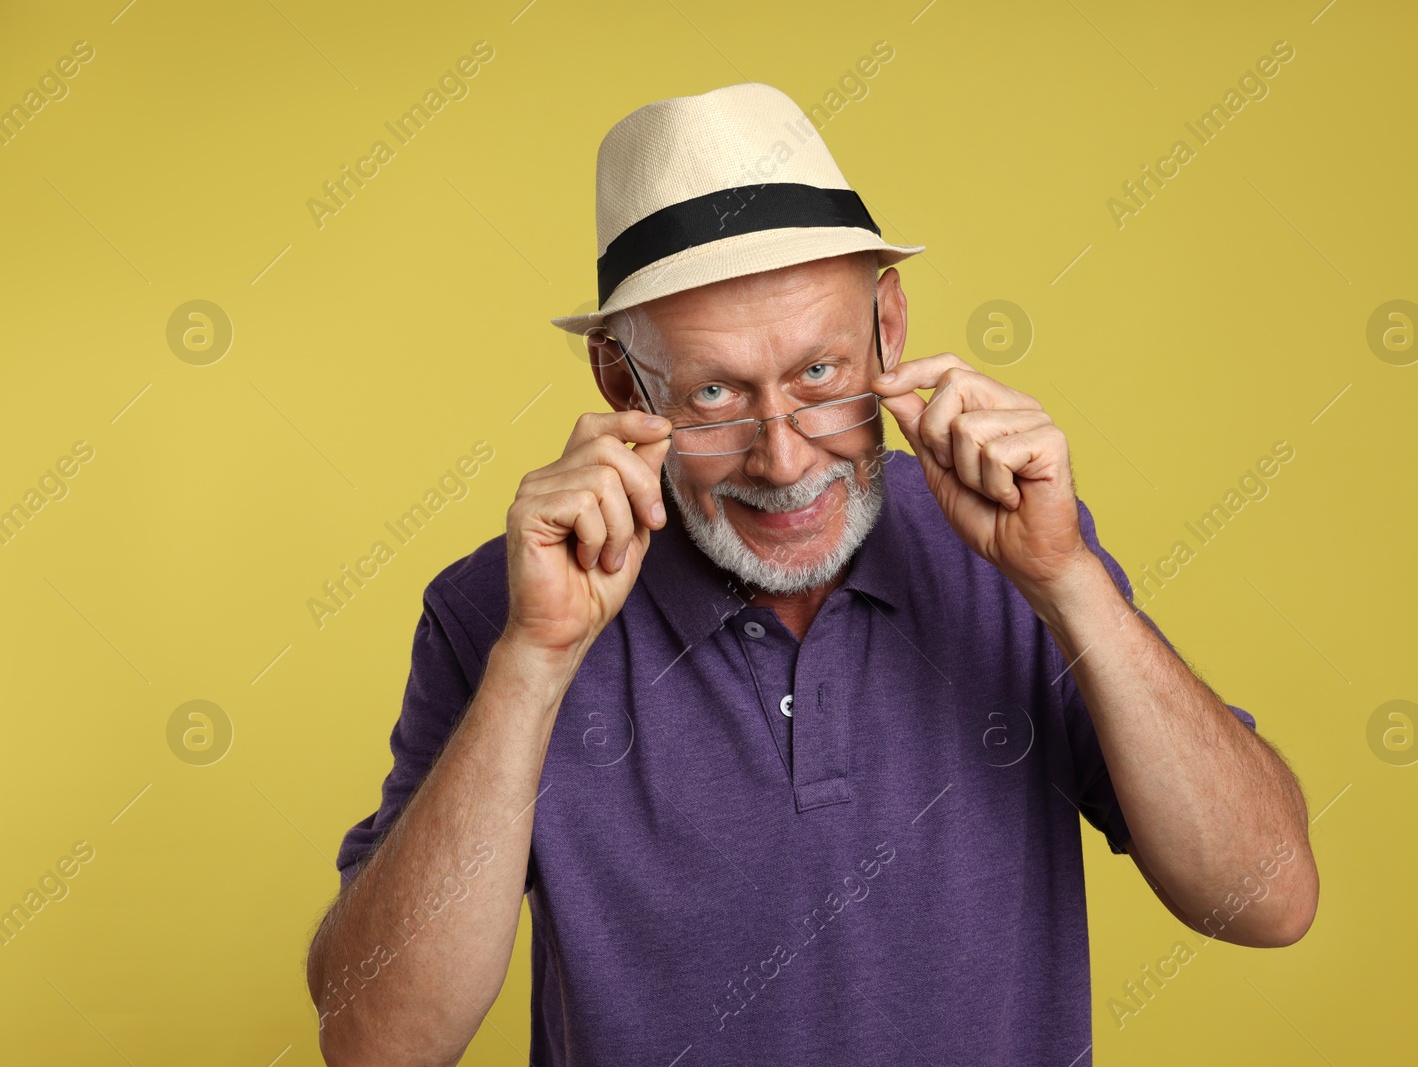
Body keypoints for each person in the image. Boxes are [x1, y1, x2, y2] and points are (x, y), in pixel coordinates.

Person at [306, 82, 1318, 1067]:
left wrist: (1069, 583)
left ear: (889, 326)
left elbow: (1267, 897)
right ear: (621, 381)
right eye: (712, 393)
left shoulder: (1025, 556)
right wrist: (533, 660)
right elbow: (376, 1042)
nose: (785, 460)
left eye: (820, 375)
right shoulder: (502, 609)